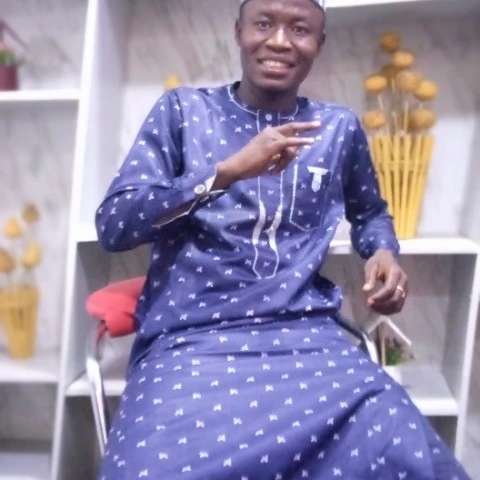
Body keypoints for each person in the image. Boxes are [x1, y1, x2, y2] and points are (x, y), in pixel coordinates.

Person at [95, 0, 471, 478]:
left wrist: (382, 252)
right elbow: (115, 225)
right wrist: (224, 174)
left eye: (299, 29)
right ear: (239, 32)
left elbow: (370, 213)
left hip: (307, 337)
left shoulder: (337, 129)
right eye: (264, 24)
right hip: (192, 341)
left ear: (319, 43)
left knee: (409, 448)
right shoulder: (183, 112)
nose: (279, 41)